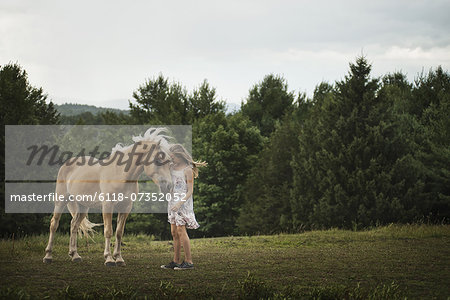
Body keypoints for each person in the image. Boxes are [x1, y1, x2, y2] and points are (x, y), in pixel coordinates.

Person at [161, 144, 207, 270]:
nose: (172, 159)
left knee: (181, 231)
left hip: (183, 203)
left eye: (174, 156)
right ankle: (176, 261)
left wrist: (179, 204)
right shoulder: (171, 167)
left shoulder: (187, 170)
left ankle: (189, 262)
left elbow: (190, 191)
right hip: (172, 201)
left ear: (180, 156)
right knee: (174, 232)